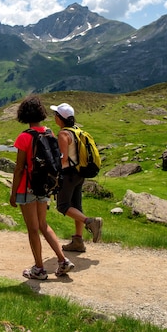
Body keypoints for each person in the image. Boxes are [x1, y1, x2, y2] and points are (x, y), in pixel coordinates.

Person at [10, 95, 74, 280]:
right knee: (43, 225)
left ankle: (39, 268)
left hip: (27, 188)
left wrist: (13, 193)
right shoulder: (49, 132)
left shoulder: (24, 137)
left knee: (32, 229)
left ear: (24, 114)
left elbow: (19, 168)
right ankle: (63, 261)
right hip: (44, 186)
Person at [50, 102, 103, 252]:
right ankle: (78, 241)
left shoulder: (63, 134)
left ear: (60, 118)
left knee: (63, 206)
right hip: (80, 173)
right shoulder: (77, 131)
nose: (54, 117)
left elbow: (63, 158)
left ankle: (90, 222)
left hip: (68, 174)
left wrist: (54, 171)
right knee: (76, 206)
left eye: (56, 115)